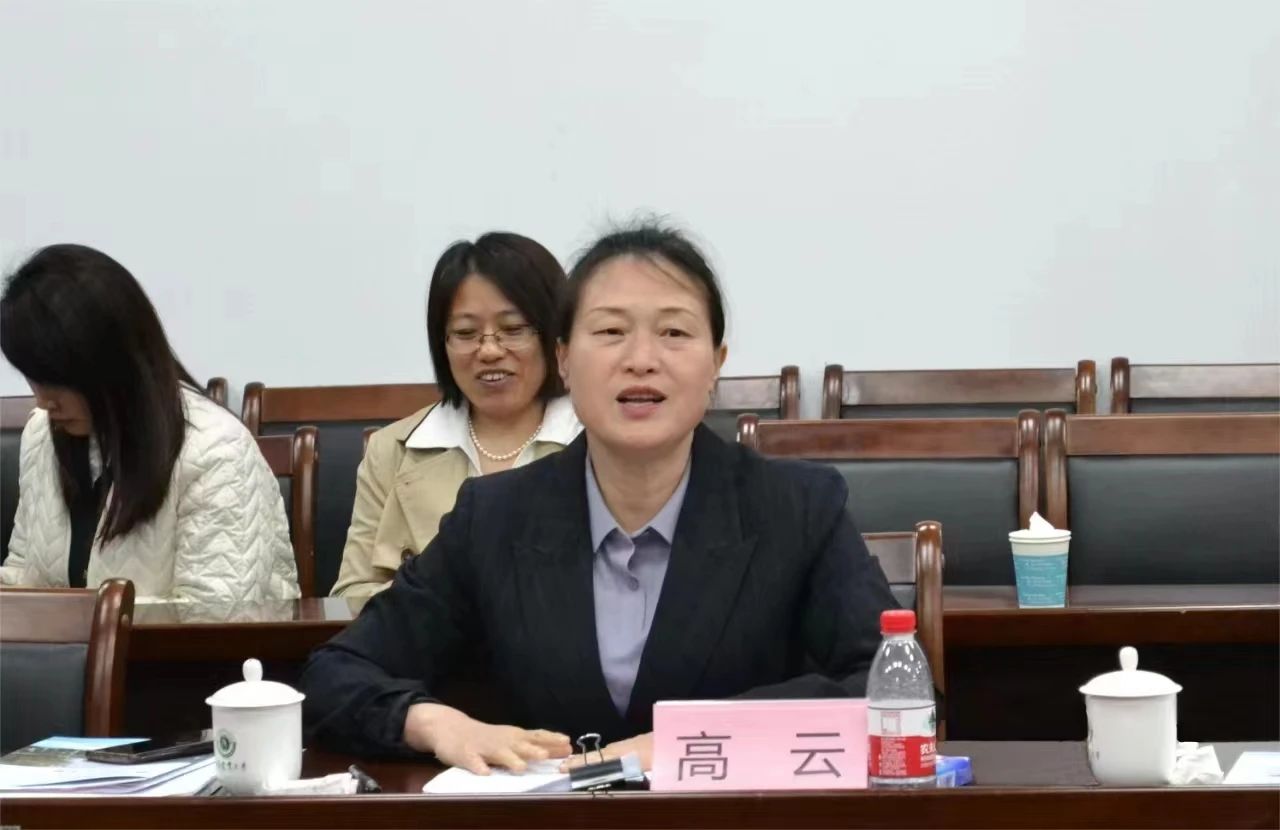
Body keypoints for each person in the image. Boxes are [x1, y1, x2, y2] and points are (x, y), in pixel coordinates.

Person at [301, 222, 896, 772]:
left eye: (674, 332)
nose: (641, 361)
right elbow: (336, 673)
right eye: (610, 332)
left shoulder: (798, 508)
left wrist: (691, 738)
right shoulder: (494, 518)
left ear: (716, 363)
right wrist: (437, 724)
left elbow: (892, 686)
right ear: (564, 359)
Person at [0, 243, 299, 602]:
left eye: (57, 378)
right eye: (33, 377)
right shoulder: (41, 435)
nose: (43, 401)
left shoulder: (218, 451)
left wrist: (94, 618)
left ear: (115, 361)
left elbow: (218, 615)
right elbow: (22, 575)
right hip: (69, 643)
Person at [330, 232, 581, 597]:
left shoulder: (598, 442)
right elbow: (352, 594)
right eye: (465, 332)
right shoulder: (393, 450)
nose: (489, 351)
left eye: (513, 329)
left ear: (556, 338)